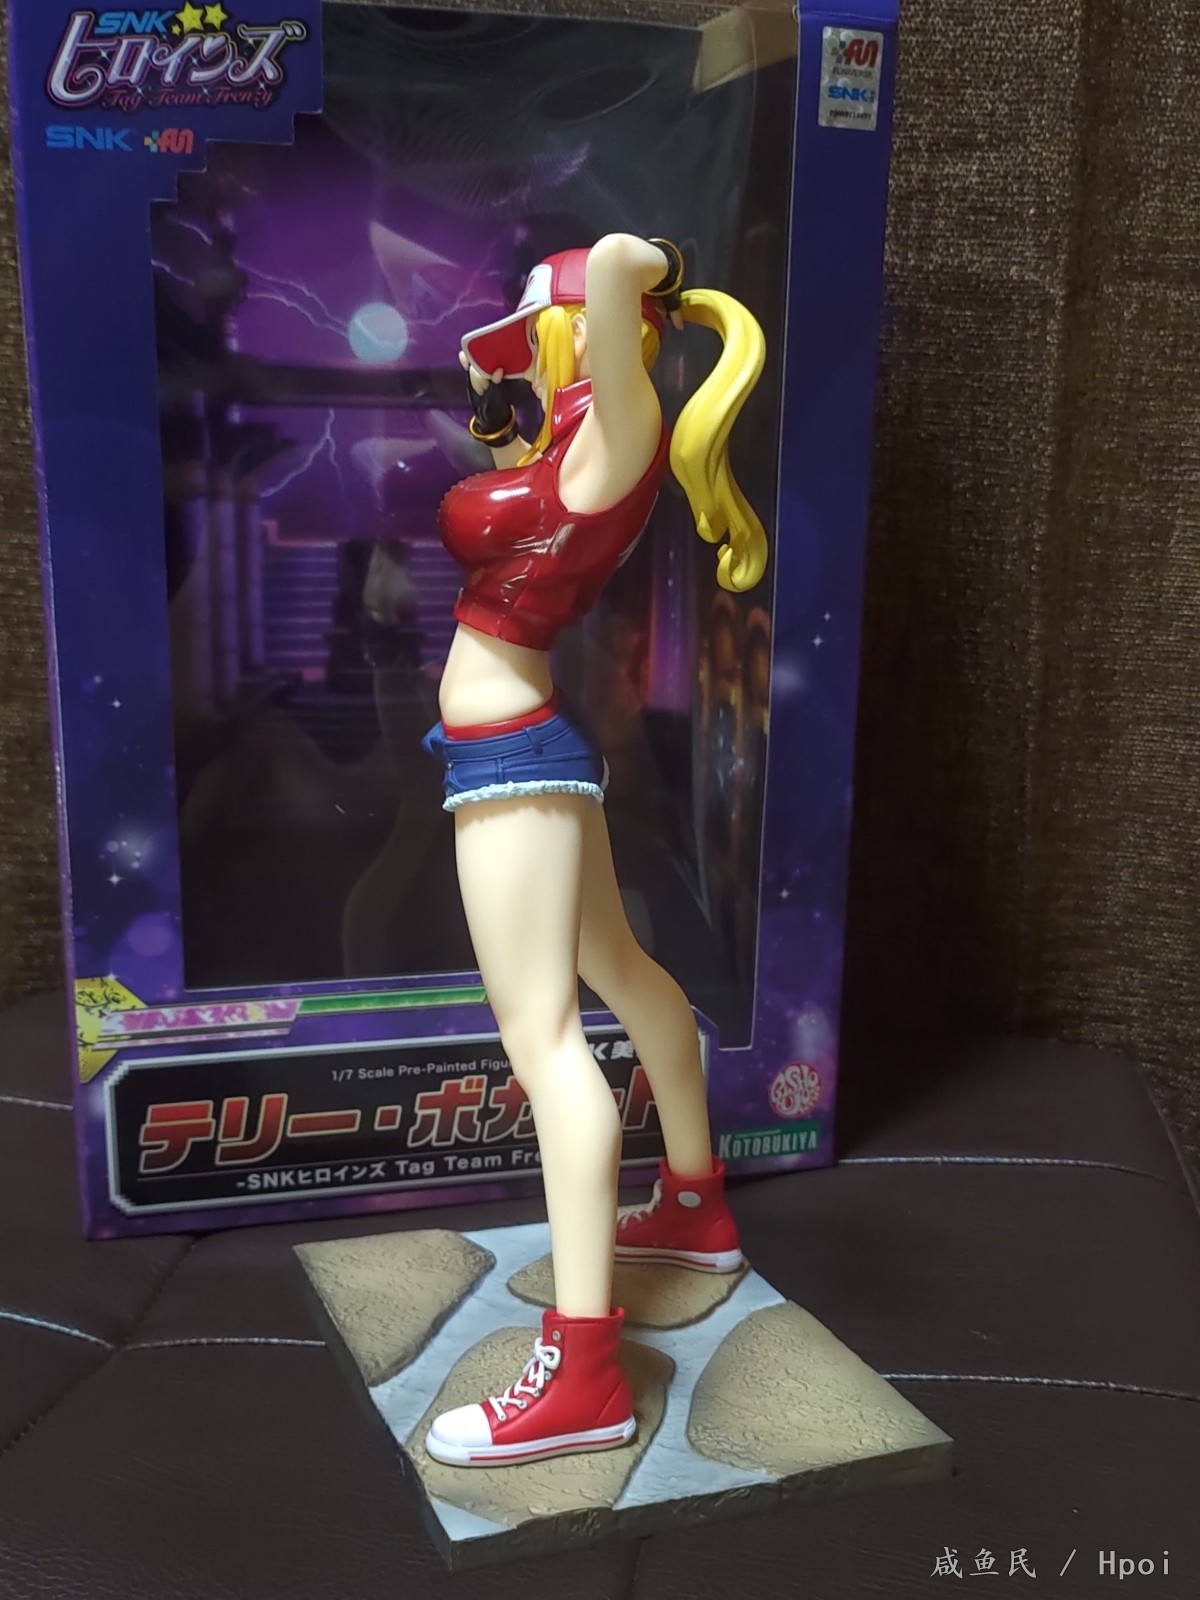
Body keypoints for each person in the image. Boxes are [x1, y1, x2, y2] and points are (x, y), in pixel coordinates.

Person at [421, 235, 767, 1468]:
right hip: (524, 750)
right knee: (623, 970)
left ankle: (583, 1378)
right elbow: (518, 519)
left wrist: (636, 264)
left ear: (578, 328)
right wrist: (501, 399)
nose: (519, 345)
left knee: (547, 1042)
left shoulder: (618, 431)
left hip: (511, 762)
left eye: (533, 327)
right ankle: (696, 1207)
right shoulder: (570, 444)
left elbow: (618, 265)